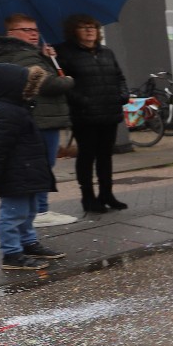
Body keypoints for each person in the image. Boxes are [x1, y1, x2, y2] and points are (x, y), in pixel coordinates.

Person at [0, 14, 76, 226]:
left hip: (37, 117)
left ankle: (35, 211)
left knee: (37, 166)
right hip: (41, 118)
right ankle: (39, 211)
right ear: (11, 33)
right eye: (26, 30)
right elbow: (46, 83)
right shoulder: (23, 55)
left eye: (35, 30)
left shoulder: (21, 53)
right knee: (40, 166)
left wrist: (46, 58)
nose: (33, 34)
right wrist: (68, 80)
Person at [0, 64, 66, 270]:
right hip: (14, 174)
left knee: (29, 211)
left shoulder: (17, 107)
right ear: (11, 86)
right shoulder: (6, 112)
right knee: (13, 214)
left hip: (26, 171)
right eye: (26, 84)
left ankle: (28, 243)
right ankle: (11, 254)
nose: (29, 88)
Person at [60, 14, 133, 214]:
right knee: (87, 155)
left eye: (92, 26)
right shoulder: (65, 53)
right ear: (73, 31)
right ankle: (88, 197)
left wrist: (123, 95)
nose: (89, 30)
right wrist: (82, 101)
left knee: (105, 156)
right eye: (83, 27)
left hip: (109, 112)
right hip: (85, 115)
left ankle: (107, 194)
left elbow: (119, 77)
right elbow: (64, 84)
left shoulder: (106, 52)